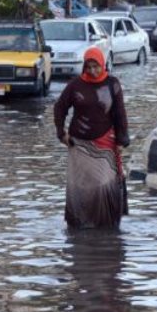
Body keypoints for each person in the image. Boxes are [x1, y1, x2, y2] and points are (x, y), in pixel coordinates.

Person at [54, 46, 129, 229]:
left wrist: (121, 140)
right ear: (84, 67)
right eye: (89, 67)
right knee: (81, 185)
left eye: (96, 66)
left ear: (103, 65)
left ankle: (105, 224)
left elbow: (120, 113)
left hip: (105, 142)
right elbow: (59, 107)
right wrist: (61, 134)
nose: (93, 71)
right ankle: (80, 223)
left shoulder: (113, 84)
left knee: (103, 183)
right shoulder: (75, 85)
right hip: (79, 144)